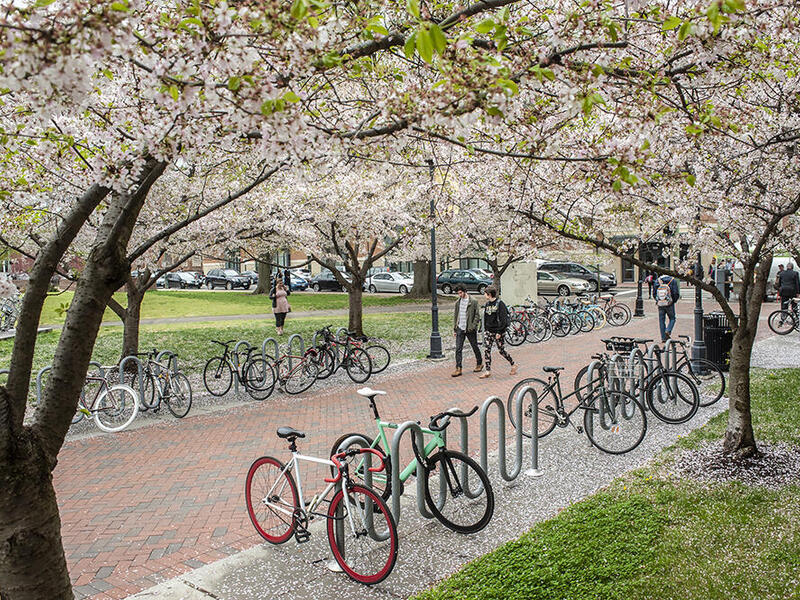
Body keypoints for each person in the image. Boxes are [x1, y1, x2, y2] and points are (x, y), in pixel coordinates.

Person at [478, 285, 517, 379]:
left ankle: (513, 364)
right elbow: (486, 317)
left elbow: (503, 320)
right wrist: (484, 329)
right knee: (487, 350)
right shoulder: (487, 304)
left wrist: (499, 332)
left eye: (485, 294)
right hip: (489, 331)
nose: (484, 295)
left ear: (489, 294)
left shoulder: (500, 304)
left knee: (501, 350)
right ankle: (488, 371)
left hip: (498, 332)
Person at [451, 284, 482, 377]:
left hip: (470, 328)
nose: (459, 295)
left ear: (465, 291)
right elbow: (456, 316)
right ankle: (458, 368)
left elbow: (477, 315)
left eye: (460, 293)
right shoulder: (457, 303)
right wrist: (455, 329)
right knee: (458, 348)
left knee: (474, 346)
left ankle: (479, 363)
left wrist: (472, 326)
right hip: (460, 328)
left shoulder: (473, 301)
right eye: (458, 293)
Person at [654, 273, 680, 342]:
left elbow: (654, 293)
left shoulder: (657, 281)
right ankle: (668, 330)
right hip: (669, 303)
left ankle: (663, 337)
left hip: (660, 304)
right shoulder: (672, 280)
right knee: (672, 318)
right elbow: (676, 293)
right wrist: (673, 301)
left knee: (661, 320)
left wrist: (658, 301)